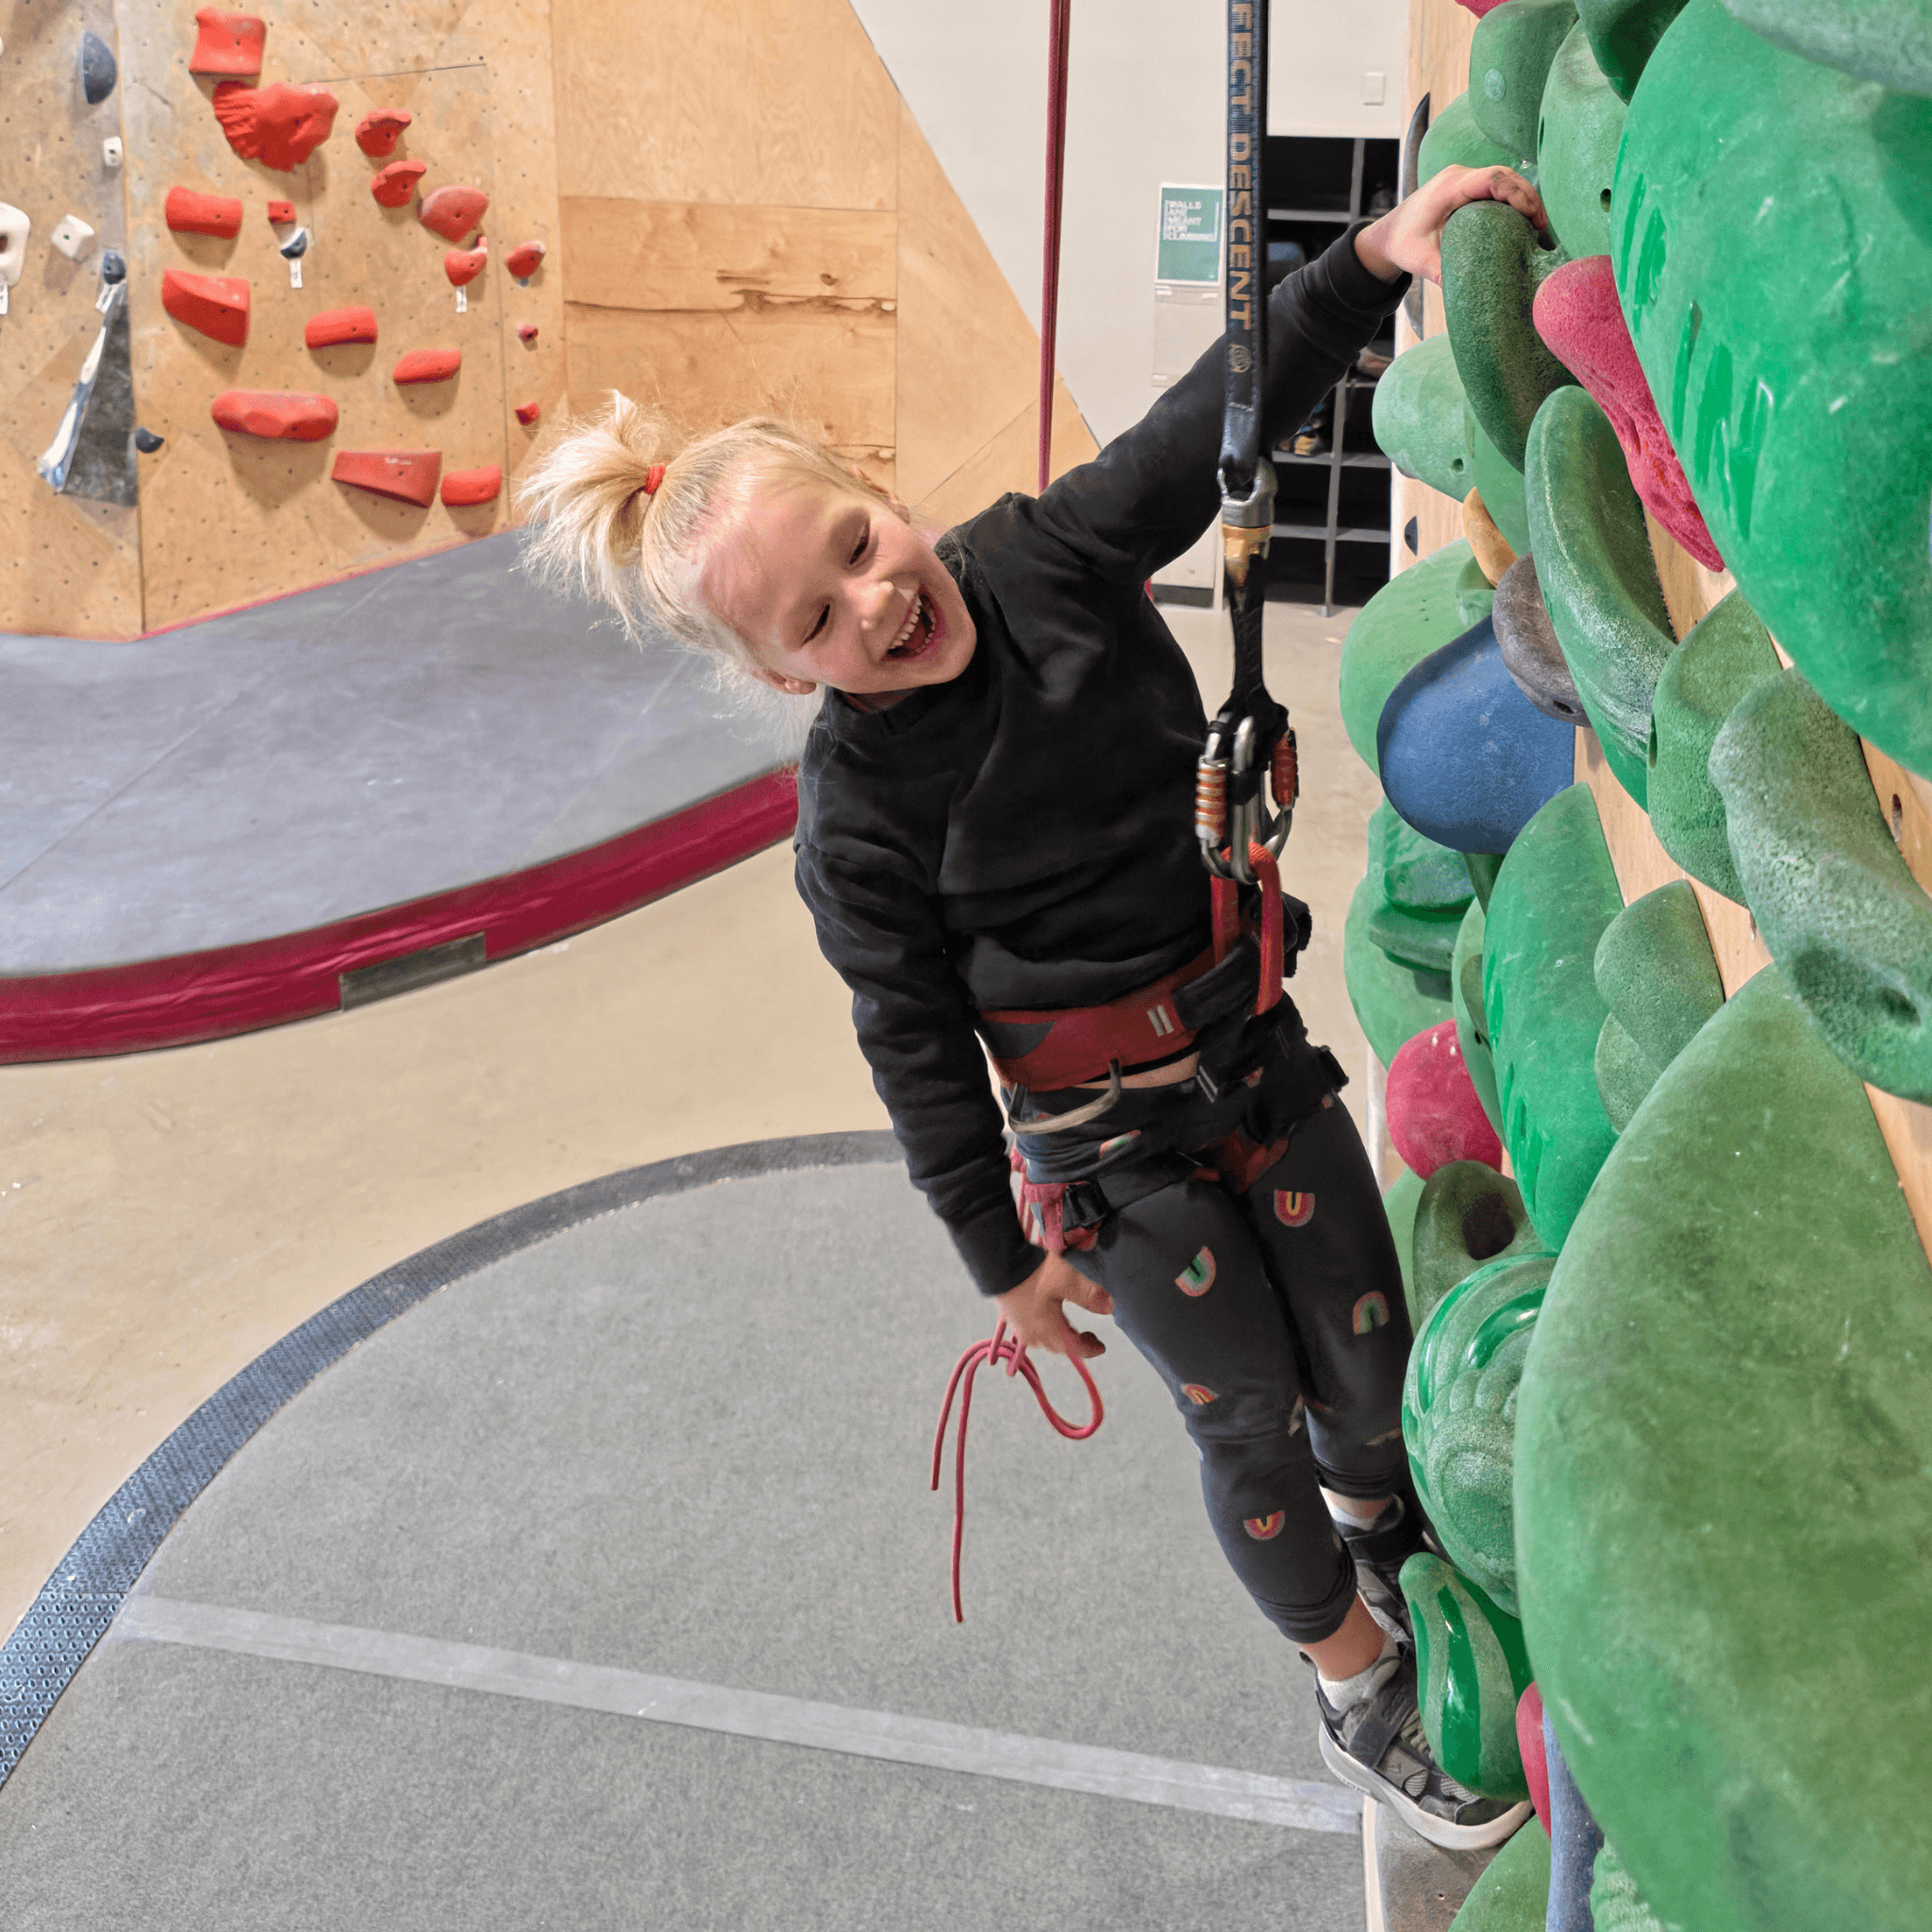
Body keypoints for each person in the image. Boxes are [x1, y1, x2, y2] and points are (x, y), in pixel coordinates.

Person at [519, 161, 1548, 1851]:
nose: (876, 601)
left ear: (877, 489)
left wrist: (1368, 260)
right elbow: (912, 1049)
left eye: (861, 543)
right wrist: (1006, 1262)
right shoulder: (855, 828)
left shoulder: (1045, 559)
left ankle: (1391, 1518)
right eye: (818, 622)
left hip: (1250, 1054)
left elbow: (1196, 422)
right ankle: (1355, 1681)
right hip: (1110, 1153)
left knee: (1367, 1368)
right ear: (788, 677)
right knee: (1245, 1417)